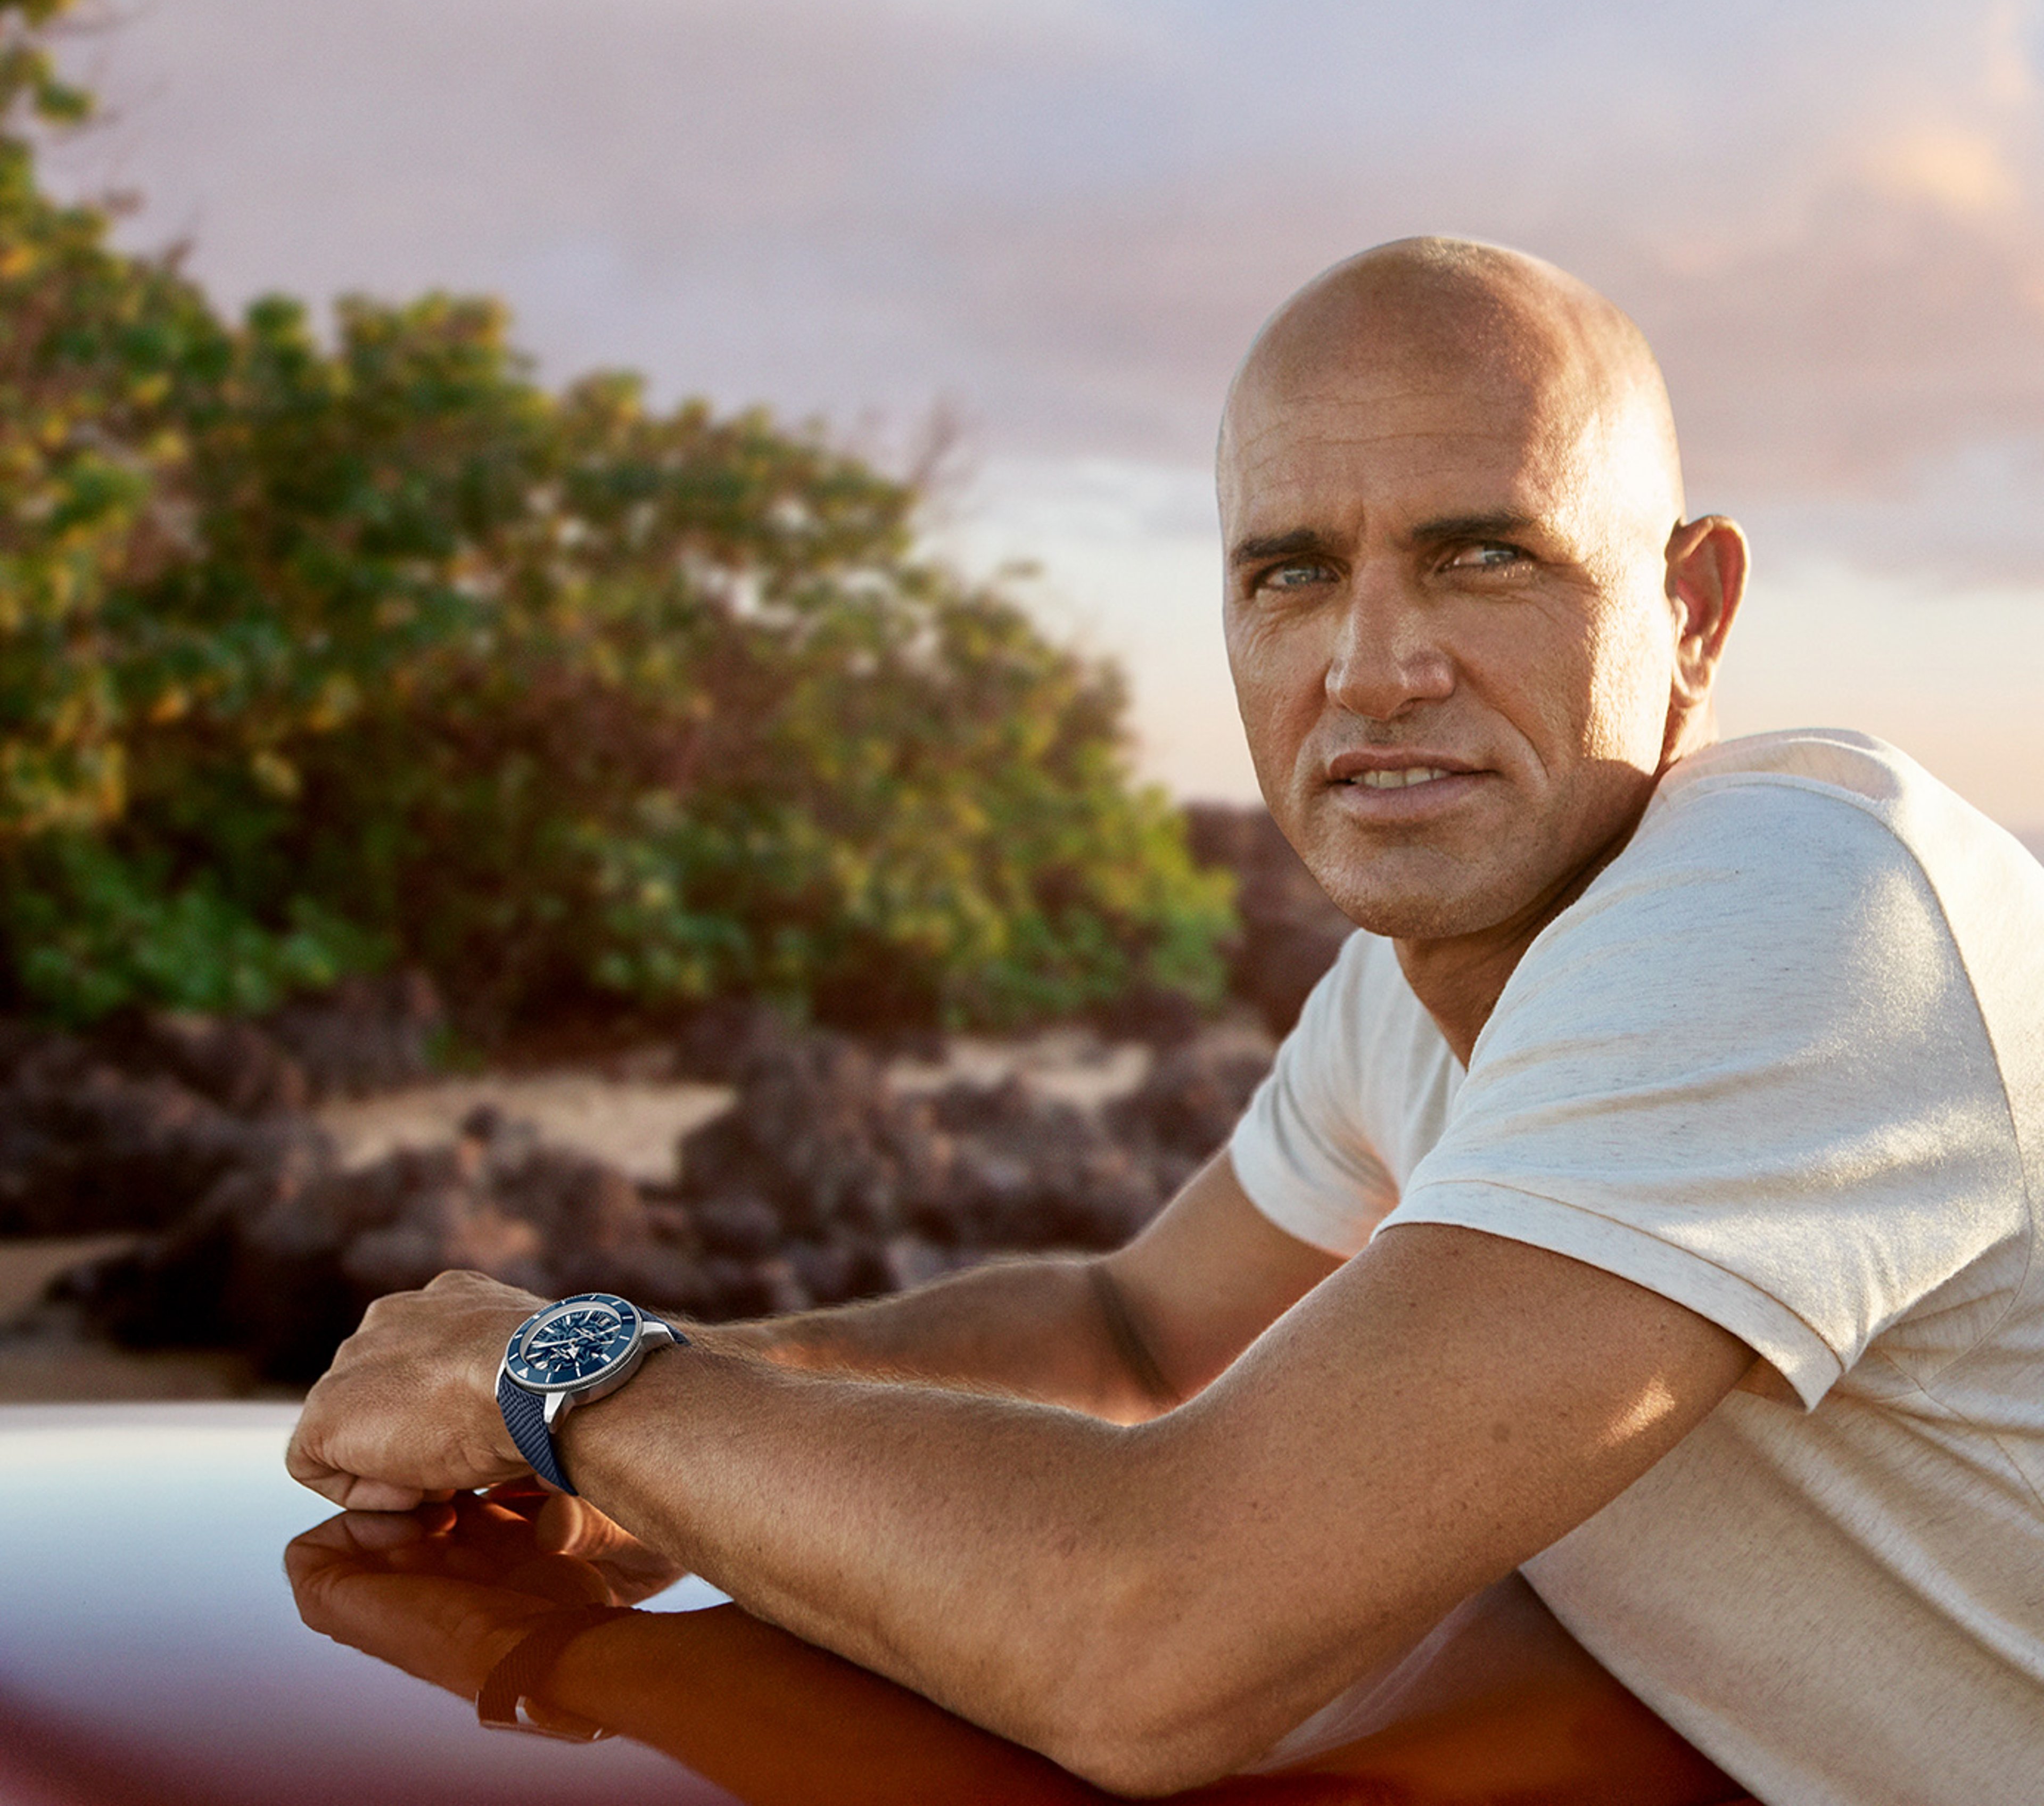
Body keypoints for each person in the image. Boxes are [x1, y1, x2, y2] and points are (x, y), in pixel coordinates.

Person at [288, 238, 2044, 1804]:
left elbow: (1152, 1643)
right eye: (1289, 575)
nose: (1371, 667)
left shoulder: (1807, 906)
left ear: (1692, 611)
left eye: (1480, 556)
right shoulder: (1417, 983)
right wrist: (657, 1432)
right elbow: (1128, 1330)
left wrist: (576, 1379)